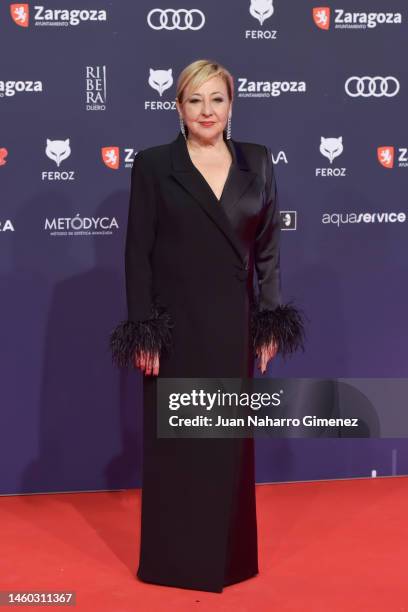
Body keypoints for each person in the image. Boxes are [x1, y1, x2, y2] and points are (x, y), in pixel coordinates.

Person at [110, 59, 305, 593]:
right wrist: (143, 327)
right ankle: (175, 562)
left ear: (231, 106)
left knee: (226, 442)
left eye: (216, 99)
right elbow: (138, 253)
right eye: (195, 100)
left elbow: (267, 250)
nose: (206, 111)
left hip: (233, 325)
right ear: (178, 107)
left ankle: (230, 560)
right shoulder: (153, 165)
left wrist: (268, 320)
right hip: (174, 329)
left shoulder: (259, 163)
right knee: (177, 444)